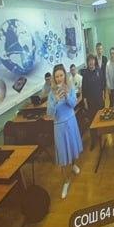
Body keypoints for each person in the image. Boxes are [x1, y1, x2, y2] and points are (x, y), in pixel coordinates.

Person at [48, 64, 83, 199]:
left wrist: (67, 95)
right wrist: (56, 101)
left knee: (73, 148)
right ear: (54, 78)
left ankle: (73, 165)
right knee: (63, 156)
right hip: (59, 126)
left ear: (65, 75)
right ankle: (66, 182)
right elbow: (50, 113)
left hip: (71, 122)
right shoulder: (52, 93)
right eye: (56, 76)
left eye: (61, 75)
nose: (59, 78)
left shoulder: (70, 87)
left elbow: (73, 104)